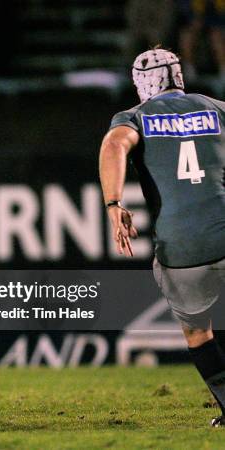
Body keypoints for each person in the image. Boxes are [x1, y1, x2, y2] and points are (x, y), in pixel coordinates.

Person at [99, 48, 225, 426]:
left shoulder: (134, 117)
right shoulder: (217, 106)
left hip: (182, 246)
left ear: (141, 83)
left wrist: (113, 203)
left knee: (198, 332)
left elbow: (114, 144)